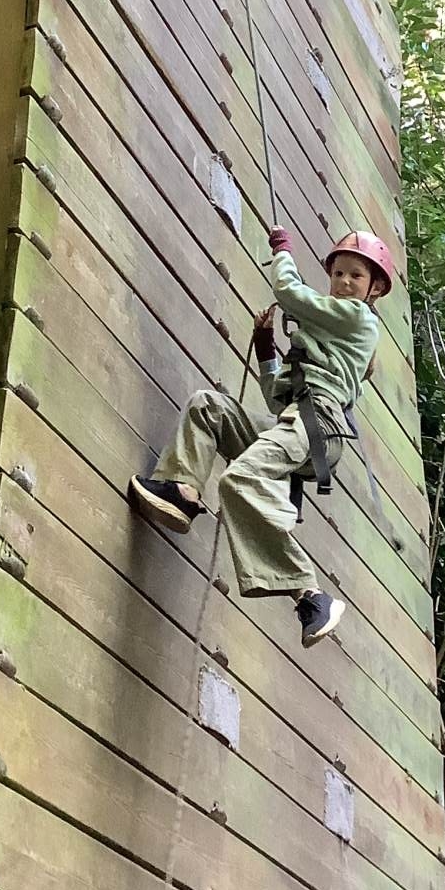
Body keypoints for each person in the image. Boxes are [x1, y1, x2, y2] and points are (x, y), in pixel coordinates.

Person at [128, 228, 394, 646]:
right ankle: (181, 490)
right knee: (209, 407)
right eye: (338, 273)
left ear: (375, 288)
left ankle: (311, 595)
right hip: (297, 419)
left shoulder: (359, 319)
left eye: (355, 276)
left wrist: (282, 251)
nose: (343, 282)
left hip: (317, 426)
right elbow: (276, 400)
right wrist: (266, 348)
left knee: (240, 480)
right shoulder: (325, 335)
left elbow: (288, 291)